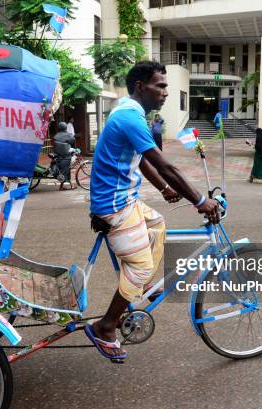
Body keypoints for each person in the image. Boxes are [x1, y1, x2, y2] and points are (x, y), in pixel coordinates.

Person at [85, 61, 222, 362]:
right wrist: (201, 201)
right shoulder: (131, 118)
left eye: (166, 87)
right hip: (114, 206)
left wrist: (162, 188)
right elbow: (165, 165)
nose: (165, 93)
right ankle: (105, 327)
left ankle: (139, 288)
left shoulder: (128, 111)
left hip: (124, 199)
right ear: (140, 87)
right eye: (160, 86)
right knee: (141, 266)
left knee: (157, 223)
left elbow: (143, 160)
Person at [53, 122, 76, 190]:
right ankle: (68, 184)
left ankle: (63, 185)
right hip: (66, 156)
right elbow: (73, 142)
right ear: (66, 127)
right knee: (67, 170)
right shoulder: (68, 135)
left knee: (64, 170)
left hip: (58, 156)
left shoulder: (56, 136)